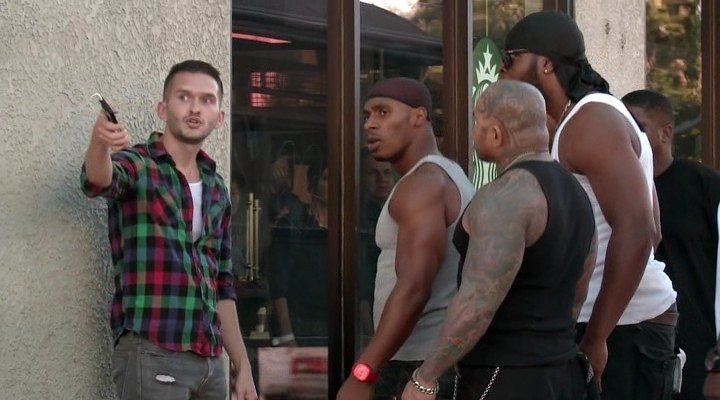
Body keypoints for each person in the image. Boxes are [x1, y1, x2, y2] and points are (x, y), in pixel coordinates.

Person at [499, 11, 678, 399]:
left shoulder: (590, 121)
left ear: (546, 63)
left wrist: (596, 337)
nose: (501, 70)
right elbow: (651, 227)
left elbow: (640, 231)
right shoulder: (586, 116)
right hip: (618, 323)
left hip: (622, 329)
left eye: (509, 58)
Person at [400, 79, 597, 400]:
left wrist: (425, 378)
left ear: (495, 133)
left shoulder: (506, 196)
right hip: (564, 372)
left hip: (507, 376)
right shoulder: (577, 192)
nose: (473, 132)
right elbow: (579, 288)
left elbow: (478, 301)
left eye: (477, 122)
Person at [80, 60, 257, 400]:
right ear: (163, 109)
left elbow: (222, 284)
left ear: (220, 117)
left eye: (207, 100)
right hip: (154, 350)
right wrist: (99, 141)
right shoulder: (140, 165)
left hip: (210, 362)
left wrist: (241, 364)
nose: (195, 108)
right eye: (184, 97)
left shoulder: (217, 187)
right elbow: (97, 181)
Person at [336, 77, 475, 400]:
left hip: (418, 366)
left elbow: (414, 287)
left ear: (418, 116)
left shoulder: (424, 183)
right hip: (424, 362)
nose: (370, 125)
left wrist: (364, 372)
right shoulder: (441, 174)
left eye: (383, 112)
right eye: (367, 115)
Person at [622, 89, 720, 400]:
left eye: (638, 127)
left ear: (665, 133)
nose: (628, 135)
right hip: (634, 345)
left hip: (699, 350)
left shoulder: (705, 185)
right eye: (622, 126)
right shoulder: (614, 188)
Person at [269, 158, 329, 347]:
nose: (334, 186)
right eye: (326, 178)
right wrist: (287, 336)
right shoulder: (293, 224)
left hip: (337, 329)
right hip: (301, 328)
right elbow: (278, 283)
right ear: (312, 185)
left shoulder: (347, 229)